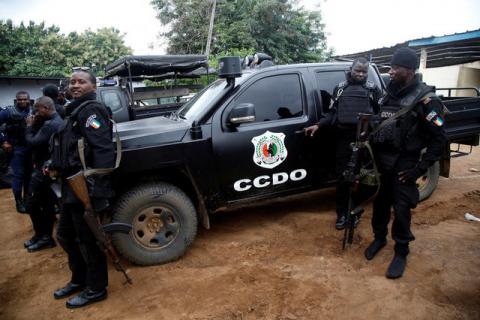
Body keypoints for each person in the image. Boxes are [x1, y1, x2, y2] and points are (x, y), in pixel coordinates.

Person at [366, 47, 447, 279]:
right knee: (380, 205)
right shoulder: (387, 95)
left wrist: (419, 169)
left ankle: (401, 251)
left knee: (401, 210)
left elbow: (439, 138)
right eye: (390, 67)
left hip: (405, 166)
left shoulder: (427, 100)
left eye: (395, 68)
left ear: (410, 70)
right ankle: (379, 238)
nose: (390, 72)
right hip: (382, 164)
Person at [51, 70, 115, 308]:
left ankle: (97, 288)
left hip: (85, 188)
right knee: (65, 235)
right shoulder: (73, 110)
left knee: (89, 240)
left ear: (93, 86)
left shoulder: (91, 111)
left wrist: (97, 192)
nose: (75, 85)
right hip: (70, 186)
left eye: (82, 81)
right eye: (73, 81)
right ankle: (79, 279)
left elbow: (104, 151)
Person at [305, 58, 382, 230]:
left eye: (364, 72)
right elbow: (333, 113)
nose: (361, 74)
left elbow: (382, 113)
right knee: (343, 178)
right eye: (358, 71)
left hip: (365, 141)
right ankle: (342, 214)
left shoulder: (372, 89)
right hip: (343, 141)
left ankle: (355, 211)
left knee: (362, 179)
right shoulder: (340, 88)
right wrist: (318, 125)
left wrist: (371, 124)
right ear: (351, 69)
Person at [23, 96, 64, 252]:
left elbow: (32, 143)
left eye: (38, 109)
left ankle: (44, 237)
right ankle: (42, 236)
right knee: (46, 204)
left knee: (31, 205)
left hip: (43, 170)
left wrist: (29, 126)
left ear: (45, 108)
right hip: (48, 170)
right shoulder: (57, 120)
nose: (36, 112)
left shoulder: (50, 125)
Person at [0, 91, 32, 213]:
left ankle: (27, 199)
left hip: (31, 148)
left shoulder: (34, 111)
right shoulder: (8, 111)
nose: (23, 101)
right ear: (16, 100)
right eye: (20, 99)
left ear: (29, 100)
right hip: (16, 148)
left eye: (25, 99)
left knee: (29, 176)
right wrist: (3, 141)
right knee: (18, 175)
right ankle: (18, 202)